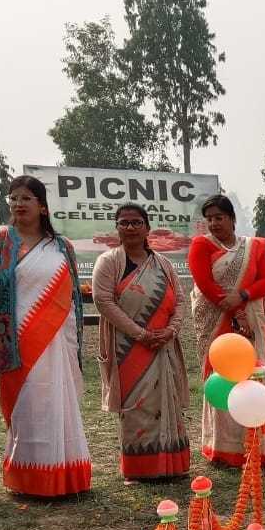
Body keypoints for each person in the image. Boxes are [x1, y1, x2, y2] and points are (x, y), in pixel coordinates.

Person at [0, 175, 91, 497]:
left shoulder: (61, 246)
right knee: (27, 405)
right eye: (13, 198)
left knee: (57, 400)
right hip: (15, 338)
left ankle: (65, 472)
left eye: (26, 198)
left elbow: (71, 294)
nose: (18, 204)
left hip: (57, 338)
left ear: (43, 206)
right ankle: (29, 478)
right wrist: (4, 315)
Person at [187, 193, 265, 465]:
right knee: (224, 374)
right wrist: (234, 310)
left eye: (219, 218)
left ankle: (264, 443)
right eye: (209, 219)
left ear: (232, 219)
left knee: (254, 373)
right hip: (216, 322)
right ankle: (225, 446)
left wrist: (243, 296)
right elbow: (205, 284)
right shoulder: (201, 245)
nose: (214, 223)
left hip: (249, 320)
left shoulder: (252, 246)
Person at [92, 202, 191, 481]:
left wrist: (170, 330)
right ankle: (140, 469)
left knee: (167, 403)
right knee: (136, 406)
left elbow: (179, 300)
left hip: (163, 346)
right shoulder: (109, 262)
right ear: (117, 228)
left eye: (136, 222)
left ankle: (172, 466)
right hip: (127, 348)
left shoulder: (164, 264)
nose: (130, 227)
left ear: (147, 228)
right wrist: (141, 334)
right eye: (124, 222)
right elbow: (103, 301)